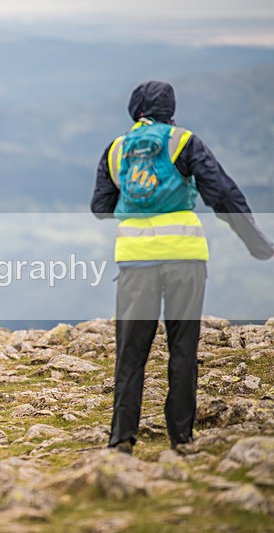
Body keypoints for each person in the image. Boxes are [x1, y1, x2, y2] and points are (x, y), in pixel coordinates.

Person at [91, 80, 274, 455]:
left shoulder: (116, 149)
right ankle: (181, 438)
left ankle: (122, 439)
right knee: (183, 348)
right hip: (185, 259)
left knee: (130, 352)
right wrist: (257, 243)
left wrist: (138, 205)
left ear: (135, 110)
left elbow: (100, 207)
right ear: (169, 110)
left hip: (135, 263)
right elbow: (221, 193)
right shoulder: (183, 143)